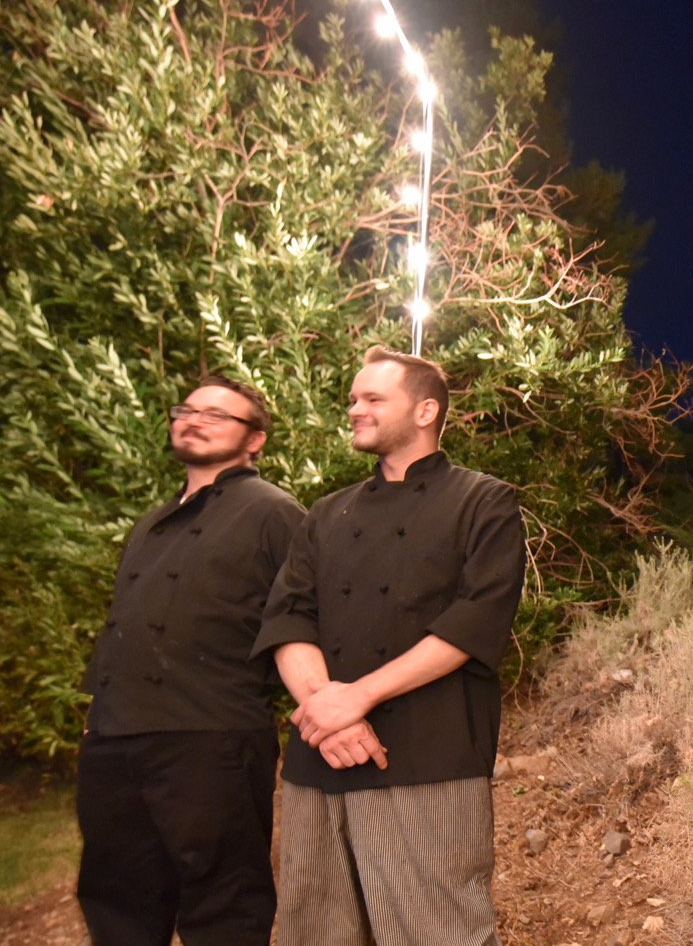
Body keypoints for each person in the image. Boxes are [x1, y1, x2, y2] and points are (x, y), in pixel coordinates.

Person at [253, 345, 525, 946]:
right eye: (353, 399)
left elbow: (473, 623)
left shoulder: (485, 502)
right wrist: (328, 709)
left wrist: (359, 698)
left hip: (429, 760)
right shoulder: (326, 513)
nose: (354, 409)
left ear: (426, 410)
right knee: (313, 931)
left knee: (440, 931)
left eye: (372, 398)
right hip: (317, 763)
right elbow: (288, 617)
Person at [76, 375, 305, 946]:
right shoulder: (150, 521)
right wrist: (97, 717)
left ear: (255, 440)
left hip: (212, 739)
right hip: (115, 740)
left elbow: (306, 616)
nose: (195, 419)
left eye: (217, 414)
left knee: (224, 909)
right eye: (187, 409)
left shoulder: (274, 512)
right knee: (117, 904)